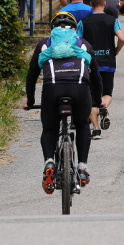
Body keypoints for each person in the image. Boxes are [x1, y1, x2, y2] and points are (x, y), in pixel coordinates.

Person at [22, 12, 103, 192]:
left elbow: (32, 74)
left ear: (53, 29)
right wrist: (97, 101)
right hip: (80, 89)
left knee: (50, 129)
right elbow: (96, 77)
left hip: (53, 89)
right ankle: (82, 168)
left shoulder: (44, 44)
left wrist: (31, 100)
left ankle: (49, 163)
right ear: (75, 29)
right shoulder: (83, 44)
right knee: (82, 125)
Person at [77, 0, 124, 140]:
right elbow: (122, 38)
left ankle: (96, 130)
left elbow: (78, 42)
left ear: (90, 4)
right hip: (108, 62)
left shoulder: (83, 22)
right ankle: (103, 107)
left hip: (90, 64)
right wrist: (115, 51)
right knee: (107, 94)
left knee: (91, 96)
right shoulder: (112, 20)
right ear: (105, 4)